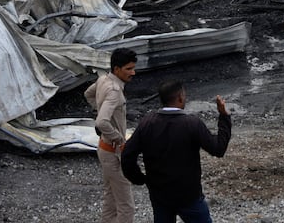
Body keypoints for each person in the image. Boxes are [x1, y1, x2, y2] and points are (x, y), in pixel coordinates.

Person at [121, 80, 231, 223]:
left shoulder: (147, 123)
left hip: (159, 194)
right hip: (188, 195)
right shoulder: (192, 123)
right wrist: (224, 116)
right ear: (180, 98)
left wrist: (140, 179)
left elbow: (127, 155)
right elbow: (218, 149)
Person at [85, 47, 138, 223]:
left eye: (133, 68)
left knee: (111, 199)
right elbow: (101, 122)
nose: (133, 72)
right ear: (117, 69)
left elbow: (88, 94)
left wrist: (100, 109)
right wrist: (119, 139)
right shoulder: (115, 91)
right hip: (113, 152)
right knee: (126, 207)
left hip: (104, 149)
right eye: (129, 69)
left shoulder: (103, 79)